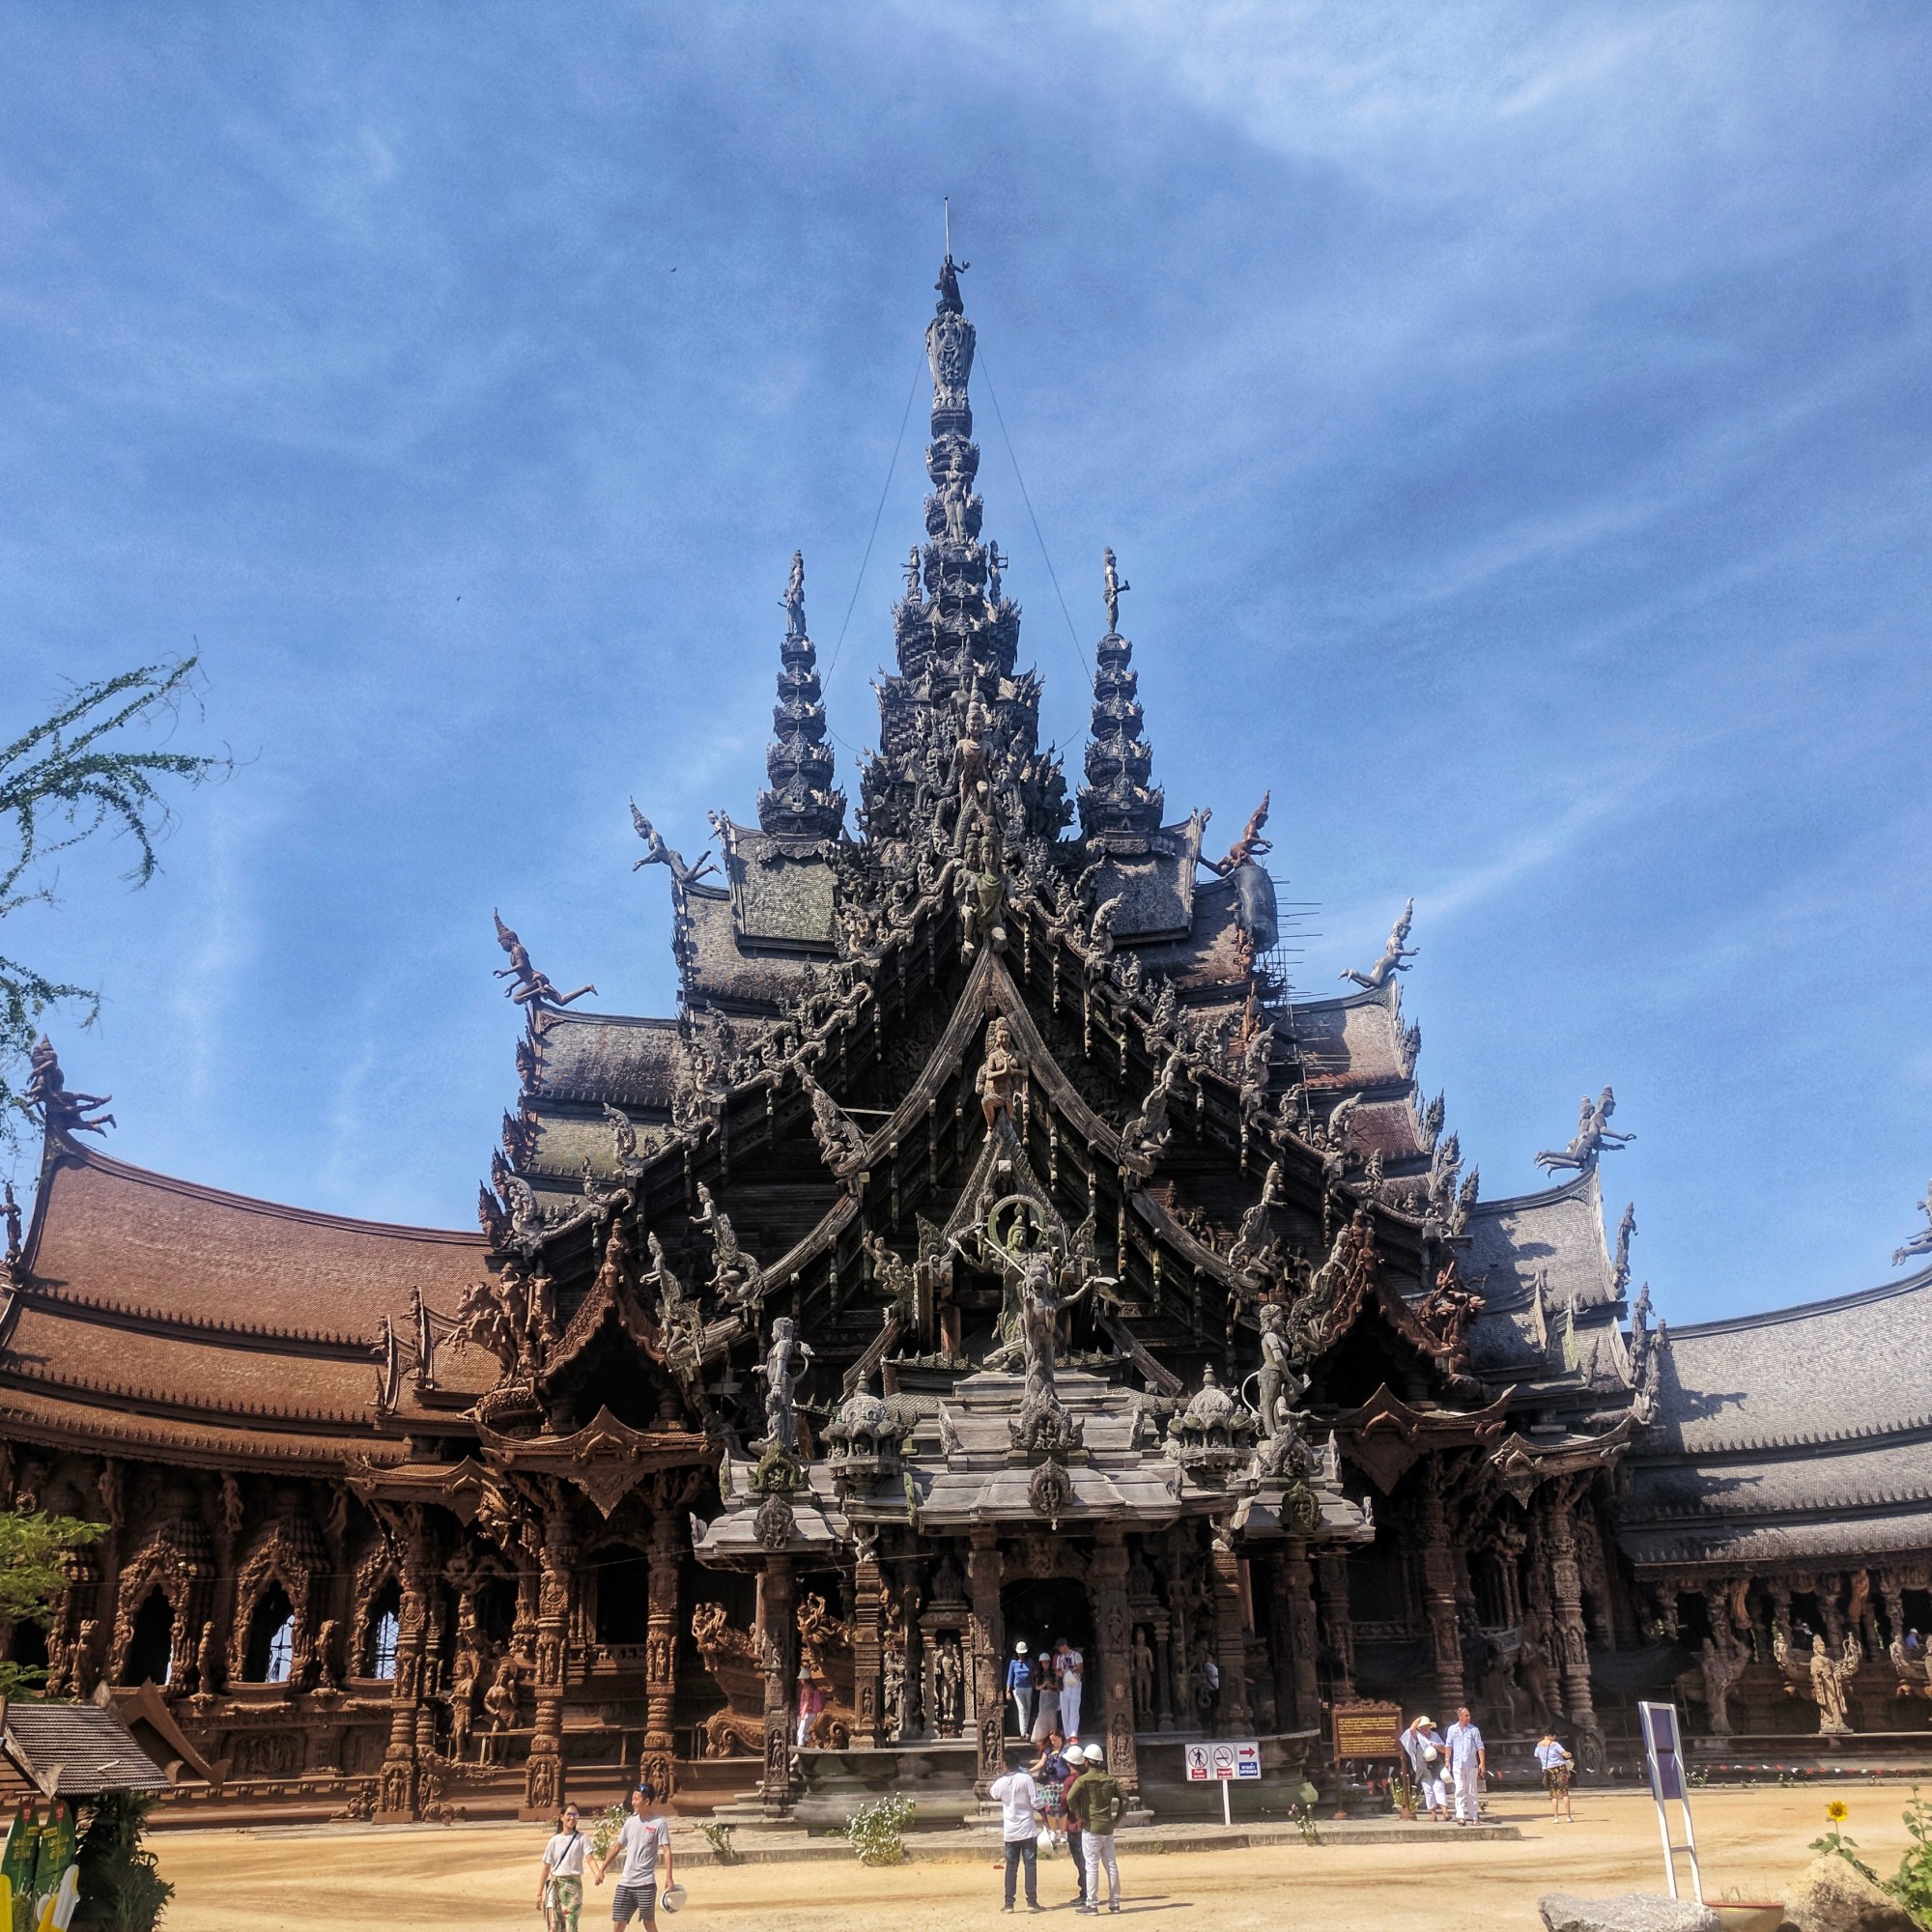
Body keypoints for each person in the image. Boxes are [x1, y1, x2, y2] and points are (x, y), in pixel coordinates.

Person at [590, 1782, 674, 1928]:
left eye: (636, 1799)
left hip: (645, 1883)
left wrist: (669, 1877)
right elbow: (617, 1846)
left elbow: (666, 1850)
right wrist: (602, 1869)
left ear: (646, 1801)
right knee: (618, 1922)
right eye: (632, 1798)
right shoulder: (630, 1822)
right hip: (625, 1882)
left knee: (648, 1922)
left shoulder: (659, 1824)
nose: (633, 1802)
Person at [1065, 1742, 1126, 1915]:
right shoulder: (1110, 1780)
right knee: (1111, 1865)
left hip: (1091, 1827)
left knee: (1091, 1866)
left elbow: (1070, 1798)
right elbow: (1125, 1799)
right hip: (1108, 1827)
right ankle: (1115, 1902)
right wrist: (1117, 1819)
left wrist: (1078, 1815)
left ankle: (1091, 1903)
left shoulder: (1083, 1780)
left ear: (1086, 1761)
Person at [989, 1748, 1042, 1911]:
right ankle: (1031, 1901)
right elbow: (1036, 1801)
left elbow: (993, 1794)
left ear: (1005, 1764)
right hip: (1027, 1828)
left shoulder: (1001, 1782)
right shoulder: (1026, 1779)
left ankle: (1009, 1903)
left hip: (1011, 1831)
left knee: (1011, 1866)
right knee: (1030, 1865)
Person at [1031, 1731, 1079, 1898]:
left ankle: (1063, 1833)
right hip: (1050, 1782)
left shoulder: (1066, 1751)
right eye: (1051, 1740)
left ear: (1061, 1738)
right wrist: (1029, 1770)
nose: (1053, 1743)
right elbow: (1041, 1764)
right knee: (1050, 1809)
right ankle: (1053, 1831)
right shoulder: (1048, 1752)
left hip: (1063, 1782)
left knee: (1063, 1809)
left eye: (1055, 1740)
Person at [539, 1803, 587, 1932]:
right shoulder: (554, 1841)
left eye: (575, 1814)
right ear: (561, 1817)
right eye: (569, 1814)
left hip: (573, 1887)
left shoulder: (582, 1838)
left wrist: (599, 1872)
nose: (572, 1817)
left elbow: (590, 1858)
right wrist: (539, 1893)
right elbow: (546, 1868)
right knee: (553, 1927)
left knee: (570, 1925)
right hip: (555, 1886)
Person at [1401, 1716, 1450, 1821]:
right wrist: (1420, 1717)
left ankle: (1445, 1812)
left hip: (1436, 1764)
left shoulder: (1435, 1735)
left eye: (1426, 1726)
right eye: (1422, 1726)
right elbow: (1411, 1729)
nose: (1425, 1728)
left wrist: (1438, 1747)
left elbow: (1444, 1749)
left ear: (1429, 1726)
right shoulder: (1417, 1736)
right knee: (1428, 1790)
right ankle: (1433, 1814)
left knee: (1439, 1786)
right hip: (1423, 1766)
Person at [1442, 1706, 1486, 1826]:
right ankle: (1460, 1815)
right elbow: (1448, 1745)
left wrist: (1482, 1762)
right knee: (1459, 1789)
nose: (1468, 1717)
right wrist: (1447, 1760)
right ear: (1460, 1716)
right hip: (1457, 1763)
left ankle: (1473, 1815)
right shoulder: (1452, 1729)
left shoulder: (1474, 1730)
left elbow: (1480, 1746)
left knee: (1472, 1790)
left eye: (1469, 1715)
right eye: (1466, 1715)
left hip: (1471, 1764)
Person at [1534, 1729, 1576, 1823]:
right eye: (1554, 1735)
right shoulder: (1555, 1744)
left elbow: (1536, 1755)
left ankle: (1556, 1818)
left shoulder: (1539, 1745)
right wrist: (1569, 1754)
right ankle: (1568, 1817)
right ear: (1550, 1735)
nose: (1555, 1737)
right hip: (1560, 1769)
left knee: (1554, 1794)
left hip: (1548, 1770)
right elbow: (1565, 1754)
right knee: (1564, 1793)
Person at [1032, 1650, 1062, 1746]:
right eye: (1043, 1663)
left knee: (1052, 1716)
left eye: (1046, 1663)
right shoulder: (1039, 1674)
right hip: (1043, 1697)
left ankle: (1053, 1736)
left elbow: (1057, 1686)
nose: (1045, 1665)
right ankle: (1041, 1736)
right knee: (1042, 1716)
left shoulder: (1053, 1673)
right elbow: (1037, 1687)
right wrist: (1044, 1685)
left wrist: (1050, 1685)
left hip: (1052, 1697)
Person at [1008, 1640, 1035, 1737]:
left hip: (1028, 1688)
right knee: (1022, 1709)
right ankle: (1022, 1731)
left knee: (1028, 1708)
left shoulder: (1030, 1662)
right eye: (1020, 1654)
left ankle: (1026, 1729)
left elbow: (1033, 1674)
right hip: (1018, 1689)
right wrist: (1008, 1691)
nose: (1021, 1655)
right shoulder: (1013, 1663)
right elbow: (1010, 1677)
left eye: (1023, 1654)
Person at [1060, 1639, 1086, 1743]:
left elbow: (1081, 1669)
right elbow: (1059, 1670)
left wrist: (1072, 1669)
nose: (1059, 1650)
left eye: (1060, 1647)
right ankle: (1067, 1736)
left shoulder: (1076, 1655)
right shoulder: (1060, 1658)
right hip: (1064, 1684)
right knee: (1064, 1711)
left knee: (1074, 1709)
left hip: (1074, 1683)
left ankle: (1073, 1734)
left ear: (1064, 1646)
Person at [797, 1665, 826, 1748]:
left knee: (800, 1732)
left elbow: (807, 1701)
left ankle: (800, 1748)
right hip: (811, 1713)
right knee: (804, 1732)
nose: (800, 1680)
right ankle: (815, 1746)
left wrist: (803, 1713)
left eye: (801, 1679)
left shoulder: (807, 1688)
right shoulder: (810, 1687)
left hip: (808, 1713)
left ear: (804, 1679)